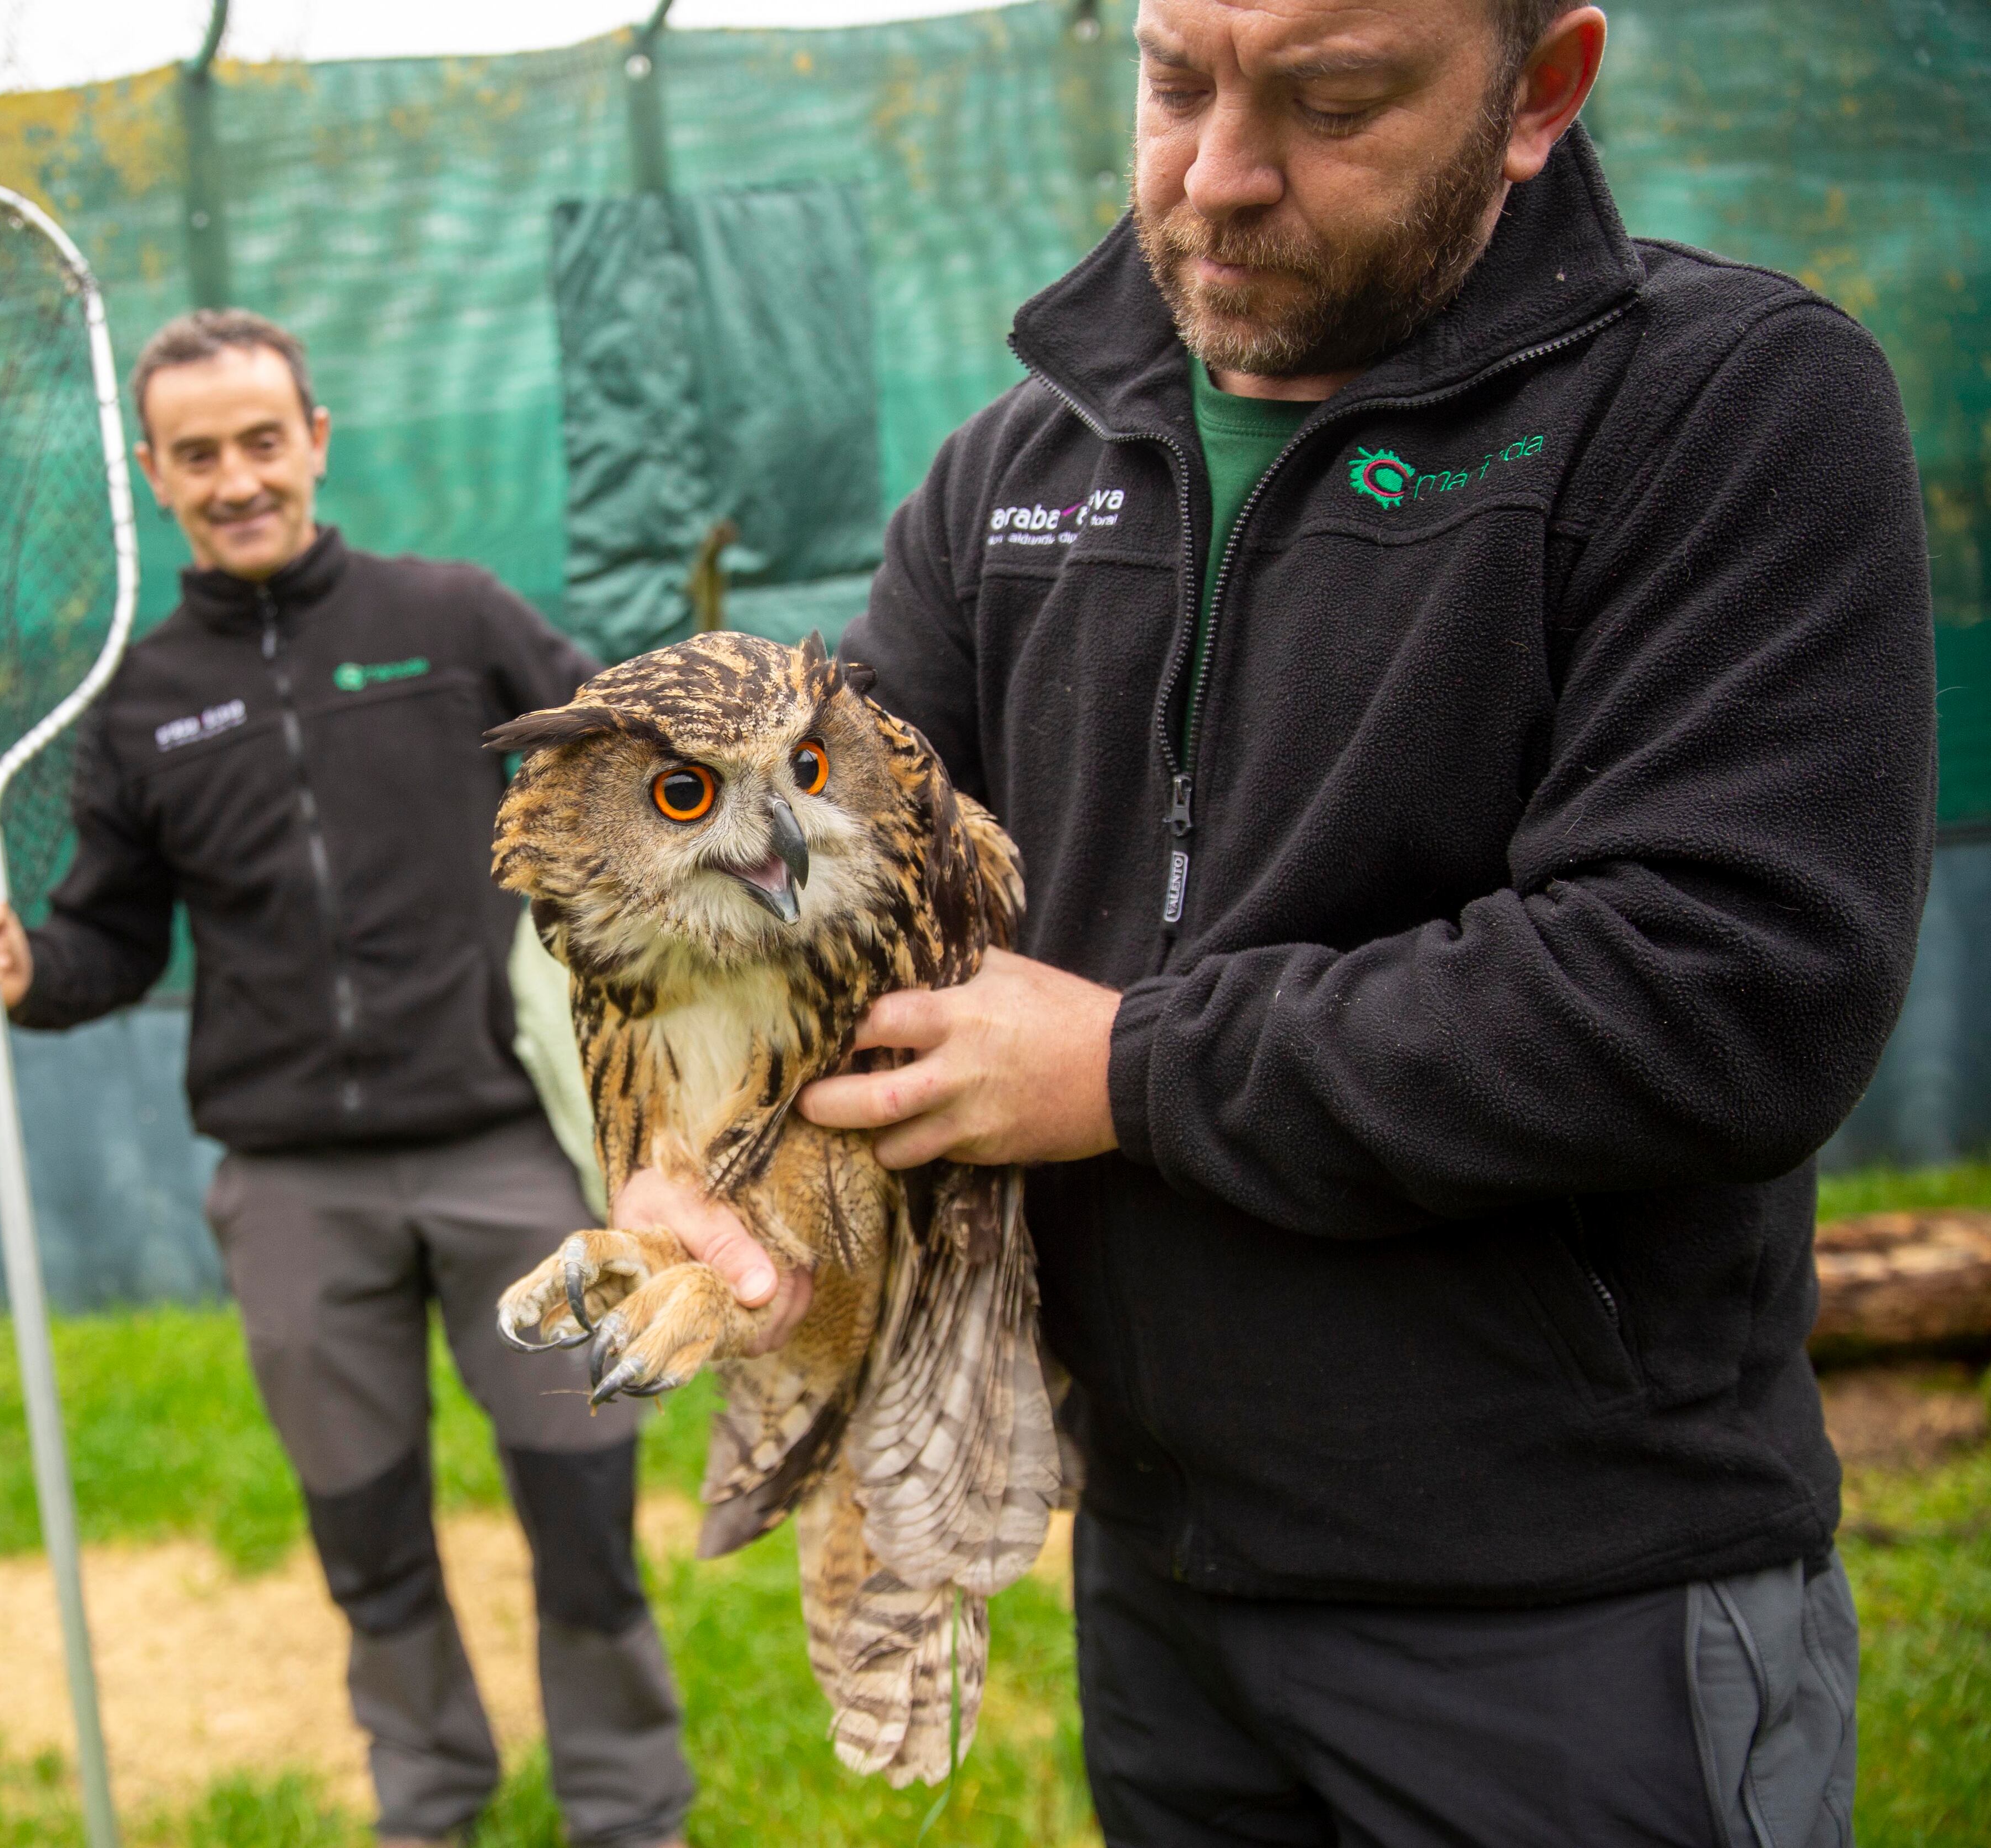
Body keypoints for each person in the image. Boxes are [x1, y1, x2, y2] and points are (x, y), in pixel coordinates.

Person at [633, 1, 1933, 1841]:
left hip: (1569, 1604)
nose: (1216, 175)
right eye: (1176, 81)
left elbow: (1723, 987)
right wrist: (704, 1140)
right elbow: (816, 882)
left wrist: (1126, 1069)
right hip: (1168, 1579)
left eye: (1331, 101)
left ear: (1537, 91)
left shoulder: (1723, 404)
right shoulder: (1022, 464)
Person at [0, 309, 692, 1848]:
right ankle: (430, 1804)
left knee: (586, 1515)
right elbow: (110, 942)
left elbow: (631, 769)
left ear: (317, 440)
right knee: (368, 1537)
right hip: (291, 1186)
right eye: (198, 454)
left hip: (508, 1159)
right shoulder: (138, 703)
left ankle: (629, 1814)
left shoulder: (455, 619)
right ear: (154, 472)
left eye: (262, 441)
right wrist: (26, 968)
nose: (237, 478)